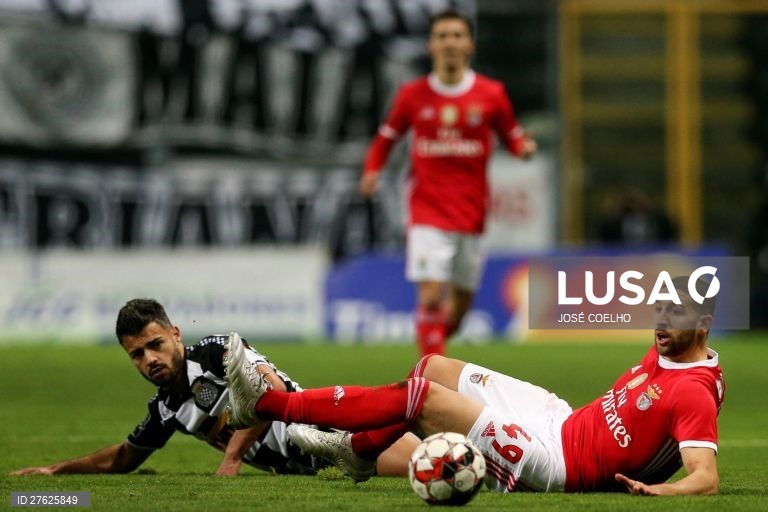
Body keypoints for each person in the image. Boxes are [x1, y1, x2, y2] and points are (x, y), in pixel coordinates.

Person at [225, 276, 724, 495]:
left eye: (674, 314)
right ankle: (358, 452)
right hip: (560, 419)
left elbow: (706, 475)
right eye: (658, 309)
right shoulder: (667, 355)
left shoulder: (692, 391)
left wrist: (660, 492)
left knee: (423, 400)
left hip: (556, 464)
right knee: (434, 367)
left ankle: (270, 403)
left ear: (703, 324)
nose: (659, 322)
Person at [10, 298, 416, 479]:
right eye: (136, 354)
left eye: (155, 345)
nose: (149, 359)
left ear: (175, 334)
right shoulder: (167, 408)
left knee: (436, 462)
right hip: (313, 467)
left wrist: (233, 457)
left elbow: (269, 389)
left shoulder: (216, 352)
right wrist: (54, 470)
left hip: (333, 433)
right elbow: (121, 458)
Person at [359, 8, 537, 356]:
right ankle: (434, 378)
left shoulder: (491, 94)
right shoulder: (412, 95)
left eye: (457, 36)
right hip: (427, 210)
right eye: (442, 36)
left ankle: (436, 341)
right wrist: (371, 170)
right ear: (430, 45)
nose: (450, 43)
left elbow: (512, 137)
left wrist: (524, 148)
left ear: (469, 44)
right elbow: (384, 140)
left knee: (458, 309)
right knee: (429, 296)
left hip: (471, 214)